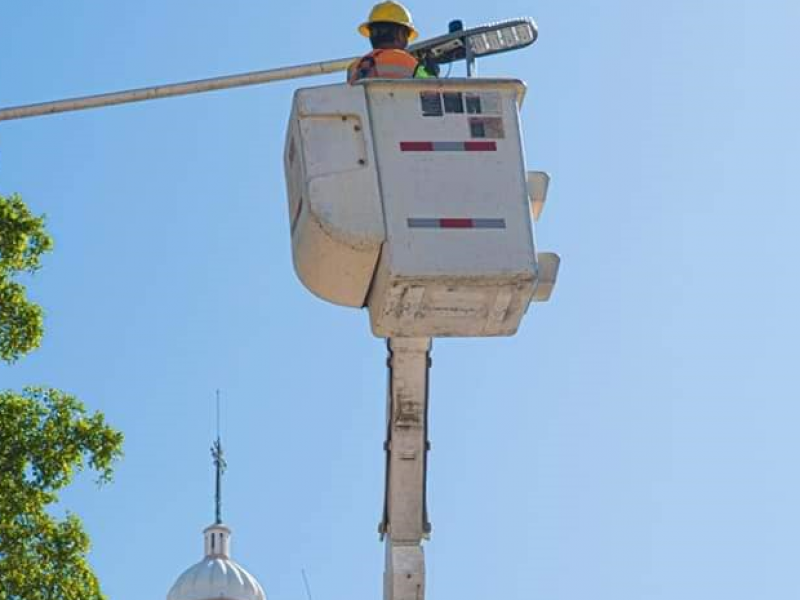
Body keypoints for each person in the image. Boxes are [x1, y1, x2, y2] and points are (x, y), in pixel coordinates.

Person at [348, 1, 439, 84]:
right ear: (401, 34)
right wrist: (432, 72)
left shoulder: (354, 67)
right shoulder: (405, 60)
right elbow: (431, 90)